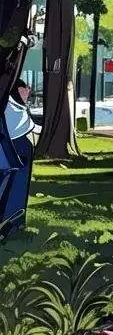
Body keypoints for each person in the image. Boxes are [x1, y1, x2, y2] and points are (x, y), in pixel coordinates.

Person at [0, 79, 40, 239]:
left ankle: (11, 222)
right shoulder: (12, 106)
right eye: (25, 88)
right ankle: (12, 222)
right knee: (15, 185)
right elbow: (22, 126)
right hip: (15, 145)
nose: (28, 91)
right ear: (18, 89)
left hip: (12, 145)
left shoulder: (12, 104)